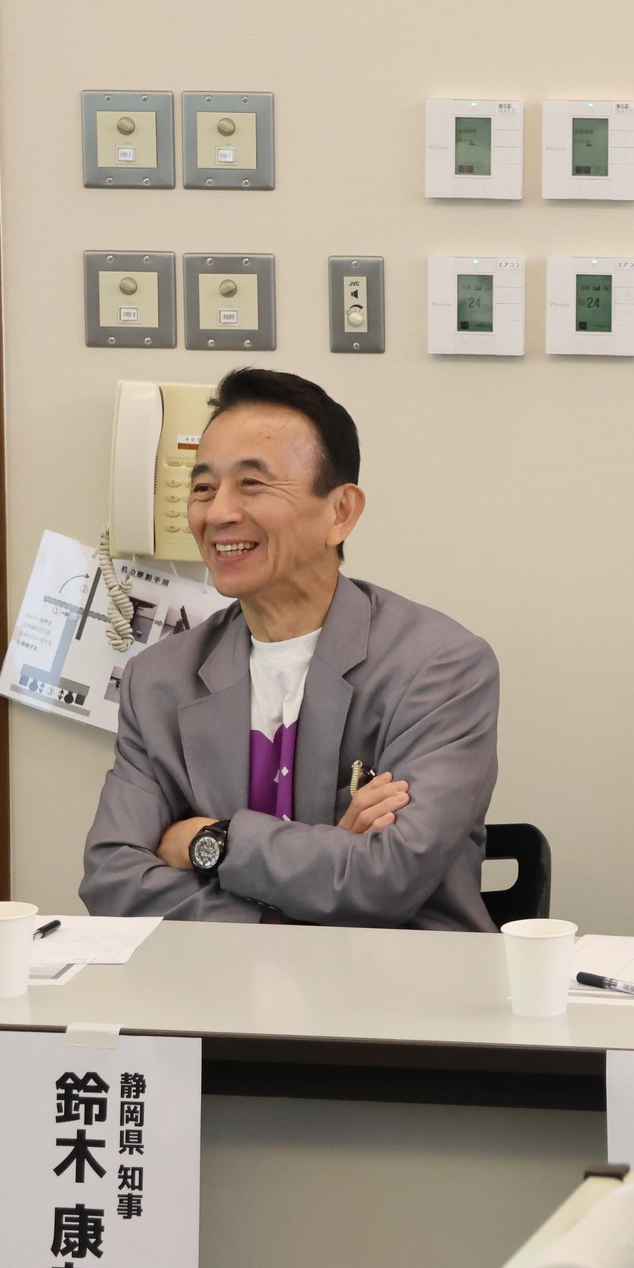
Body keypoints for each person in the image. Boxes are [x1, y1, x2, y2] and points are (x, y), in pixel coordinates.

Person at [79, 368, 500, 929]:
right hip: (219, 979)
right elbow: (113, 879)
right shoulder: (157, 680)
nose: (218, 512)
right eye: (203, 488)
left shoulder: (439, 666)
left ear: (340, 512)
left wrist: (211, 841)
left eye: (252, 483)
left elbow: (385, 880)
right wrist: (289, 910)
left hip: (398, 978)